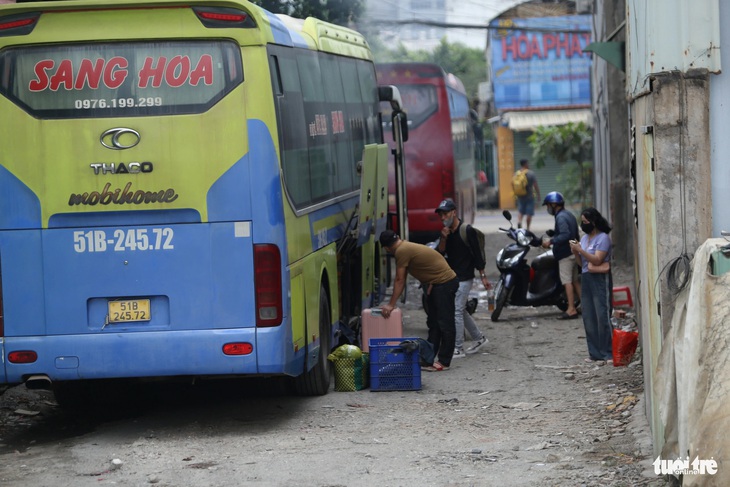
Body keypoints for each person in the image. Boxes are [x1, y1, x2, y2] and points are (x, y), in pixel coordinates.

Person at [379, 230, 459, 372]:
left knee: (445, 323)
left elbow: (399, 280)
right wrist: (430, 283)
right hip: (436, 284)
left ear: (386, 248)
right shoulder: (404, 246)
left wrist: (391, 304)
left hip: (445, 283)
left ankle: (444, 361)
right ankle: (427, 359)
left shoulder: (401, 251)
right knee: (434, 323)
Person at [434, 199, 490, 359]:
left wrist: (483, 277)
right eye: (441, 215)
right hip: (453, 277)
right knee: (460, 309)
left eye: (445, 214)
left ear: (454, 212)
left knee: (456, 310)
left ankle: (458, 348)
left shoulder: (467, 230)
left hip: (465, 276)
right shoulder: (446, 232)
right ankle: (479, 338)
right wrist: (443, 238)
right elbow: (440, 253)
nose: (443, 217)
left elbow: (478, 255)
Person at [570, 208, 613, 364]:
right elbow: (583, 264)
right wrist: (576, 252)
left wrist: (581, 250)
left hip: (599, 278)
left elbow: (596, 260)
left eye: (586, 221)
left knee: (602, 315)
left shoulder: (603, 239)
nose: (584, 224)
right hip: (587, 278)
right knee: (589, 315)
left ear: (594, 222)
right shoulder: (585, 238)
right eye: (582, 221)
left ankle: (608, 352)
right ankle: (594, 353)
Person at [541, 191, 580, 319]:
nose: (548, 208)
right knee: (574, 281)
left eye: (548, 205)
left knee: (567, 282)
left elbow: (565, 235)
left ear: (553, 204)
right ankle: (586, 306)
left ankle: (571, 309)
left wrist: (550, 241)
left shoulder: (560, 217)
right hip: (573, 252)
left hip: (565, 255)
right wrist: (554, 233)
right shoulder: (568, 215)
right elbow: (571, 233)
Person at [515, 159, 540, 231]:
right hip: (529, 196)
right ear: (525, 164)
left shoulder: (517, 173)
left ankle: (519, 222)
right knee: (529, 213)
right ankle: (528, 228)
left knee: (520, 211)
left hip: (520, 196)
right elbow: (535, 185)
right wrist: (538, 195)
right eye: (527, 163)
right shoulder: (531, 173)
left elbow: (513, 184)